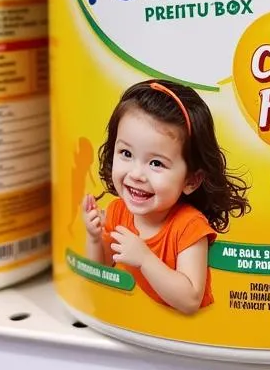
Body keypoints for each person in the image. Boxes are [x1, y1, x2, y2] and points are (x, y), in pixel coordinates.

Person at [82, 79, 250, 314]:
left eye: (156, 163)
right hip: (146, 320)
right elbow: (102, 268)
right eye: (126, 153)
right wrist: (94, 237)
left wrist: (145, 259)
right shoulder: (119, 211)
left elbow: (190, 301)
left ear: (191, 180)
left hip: (194, 331)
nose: (137, 174)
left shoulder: (189, 227)